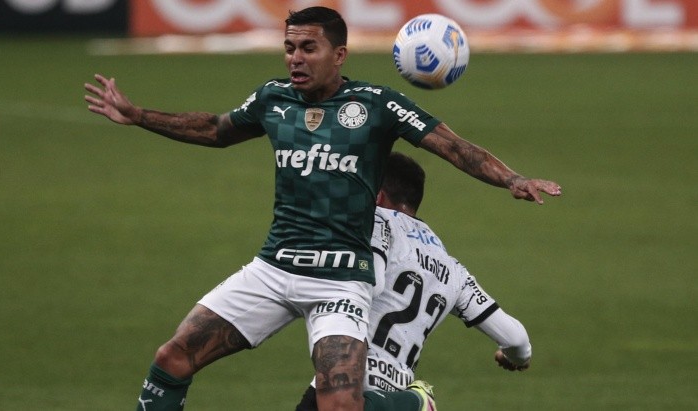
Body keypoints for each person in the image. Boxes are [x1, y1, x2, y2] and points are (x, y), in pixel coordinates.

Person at [84, 6, 559, 411]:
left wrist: (513, 179)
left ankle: (414, 402)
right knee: (172, 358)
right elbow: (215, 128)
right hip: (274, 268)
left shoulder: (378, 106)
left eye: (308, 48)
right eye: (289, 48)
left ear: (339, 54)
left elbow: (454, 147)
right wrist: (137, 115)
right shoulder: (274, 99)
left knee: (339, 405)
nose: (295, 58)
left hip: (340, 280)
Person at [295, 152, 532, 411]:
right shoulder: (453, 269)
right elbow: (516, 338)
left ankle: (416, 402)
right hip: (392, 384)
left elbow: (369, 283)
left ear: (377, 196)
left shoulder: (375, 222)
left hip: (351, 381)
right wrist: (514, 358)